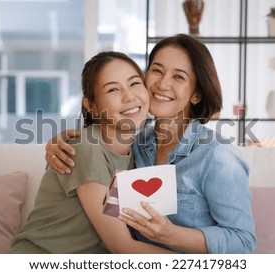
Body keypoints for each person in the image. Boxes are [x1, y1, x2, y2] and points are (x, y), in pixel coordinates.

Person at [45, 34, 256, 254]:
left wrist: (172, 234)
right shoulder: (135, 143)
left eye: (179, 77)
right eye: (157, 70)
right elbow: (91, 158)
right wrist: (58, 145)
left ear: (196, 95)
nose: (163, 84)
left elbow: (243, 242)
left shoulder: (216, 156)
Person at [10, 51, 173, 253]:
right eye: (113, 89)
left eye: (134, 83)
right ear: (92, 107)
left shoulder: (140, 150)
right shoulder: (87, 149)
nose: (129, 96)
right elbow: (122, 246)